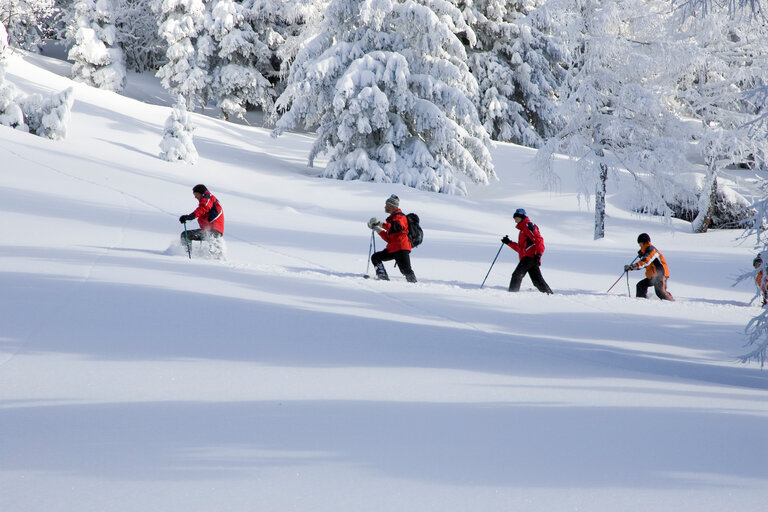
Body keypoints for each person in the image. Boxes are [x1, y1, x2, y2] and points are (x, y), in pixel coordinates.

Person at [367, 194, 417, 283]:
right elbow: (389, 238)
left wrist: (379, 224)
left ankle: (414, 285)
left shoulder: (400, 217)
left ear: (391, 206)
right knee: (375, 257)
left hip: (401, 248)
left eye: (386, 205)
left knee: (406, 270)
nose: (385, 207)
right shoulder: (392, 219)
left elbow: (396, 226)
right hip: (393, 248)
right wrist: (377, 228)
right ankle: (383, 277)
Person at [502, 208, 553, 294]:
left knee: (517, 275)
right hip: (529, 257)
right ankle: (549, 294)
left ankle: (512, 293)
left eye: (517, 217)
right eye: (514, 218)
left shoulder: (528, 226)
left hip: (531, 257)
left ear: (522, 217)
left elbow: (539, 239)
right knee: (537, 280)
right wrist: (509, 242)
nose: (515, 220)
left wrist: (539, 254)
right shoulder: (523, 230)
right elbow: (521, 249)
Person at [624, 233, 674, 301]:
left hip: (661, 274)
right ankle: (641, 302)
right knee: (641, 285)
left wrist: (632, 267)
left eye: (640, 243)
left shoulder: (651, 250)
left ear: (645, 242)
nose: (640, 245)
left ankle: (672, 302)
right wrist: (642, 253)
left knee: (660, 292)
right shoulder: (646, 251)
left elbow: (645, 262)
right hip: (654, 276)